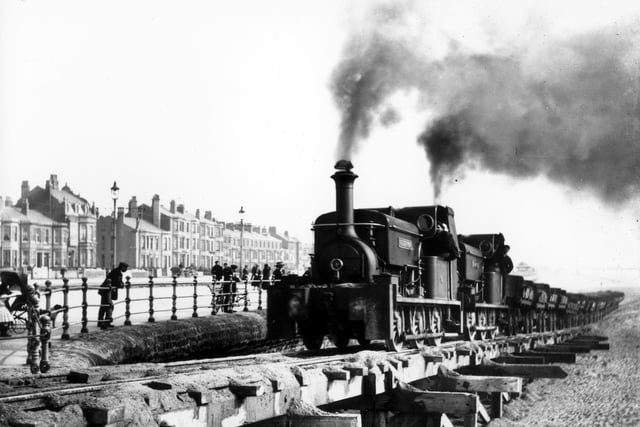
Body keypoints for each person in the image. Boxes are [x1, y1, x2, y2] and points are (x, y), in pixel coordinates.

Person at [98, 262, 128, 329]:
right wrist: (121, 285)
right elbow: (116, 282)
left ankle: (101, 321)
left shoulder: (116, 271)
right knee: (109, 306)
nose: (126, 269)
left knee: (104, 306)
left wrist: (121, 284)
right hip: (106, 291)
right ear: (122, 267)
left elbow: (117, 281)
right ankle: (106, 322)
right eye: (125, 268)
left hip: (105, 290)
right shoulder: (117, 272)